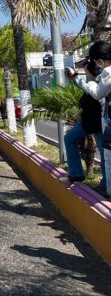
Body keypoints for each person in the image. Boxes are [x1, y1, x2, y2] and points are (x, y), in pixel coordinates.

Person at [66, 41, 110, 194]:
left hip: (100, 119)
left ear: (100, 60)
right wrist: (84, 76)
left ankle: (106, 184)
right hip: (91, 117)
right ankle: (77, 173)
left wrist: (82, 78)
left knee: (105, 153)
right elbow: (93, 88)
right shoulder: (101, 71)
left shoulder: (107, 73)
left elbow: (97, 93)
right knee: (70, 138)